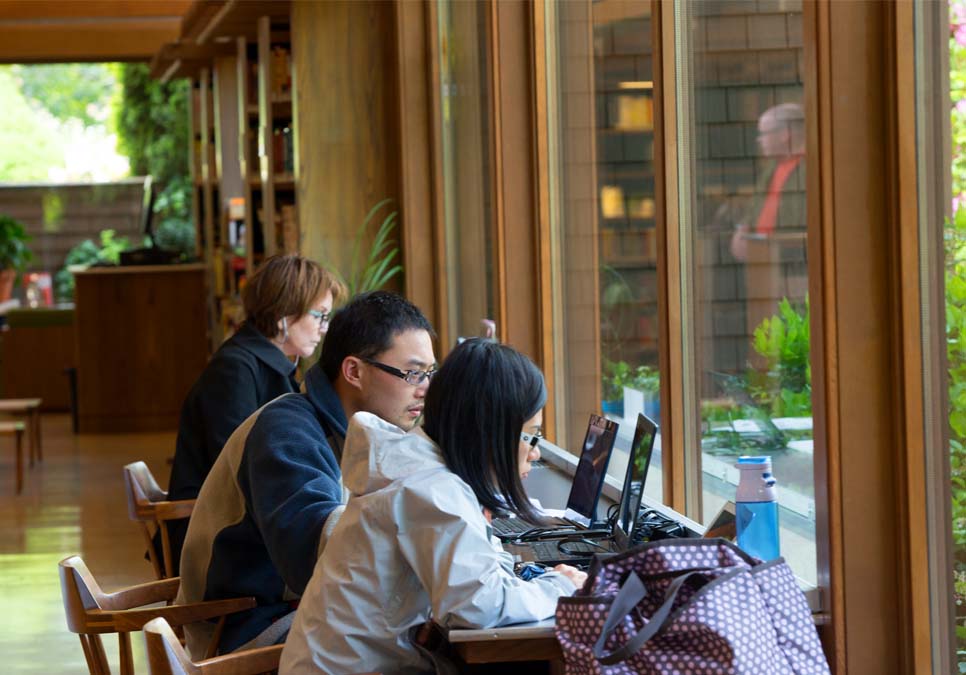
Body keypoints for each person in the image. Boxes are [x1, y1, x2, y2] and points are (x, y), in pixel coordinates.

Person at [279, 339, 587, 675]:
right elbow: (480, 606)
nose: (535, 452)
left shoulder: (421, 468)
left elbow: (476, 577)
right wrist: (561, 588)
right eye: (531, 435)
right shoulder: (433, 490)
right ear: (491, 432)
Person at [176, 291, 437, 657]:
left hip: (302, 609)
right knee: (430, 652)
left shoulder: (365, 432)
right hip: (248, 627)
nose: (424, 389)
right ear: (353, 372)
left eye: (429, 373)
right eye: (412, 373)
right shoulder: (287, 431)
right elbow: (313, 556)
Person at [160, 254, 343, 574]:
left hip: (242, 523)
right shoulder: (235, 369)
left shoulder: (271, 366)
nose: (323, 329)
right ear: (286, 310)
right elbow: (235, 465)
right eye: (319, 316)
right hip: (215, 539)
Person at [730, 102, 806, 261]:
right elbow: (754, 207)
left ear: (785, 134)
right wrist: (742, 229)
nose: (759, 140)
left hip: (794, 261)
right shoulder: (772, 167)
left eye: (764, 133)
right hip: (763, 260)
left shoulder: (811, 169)